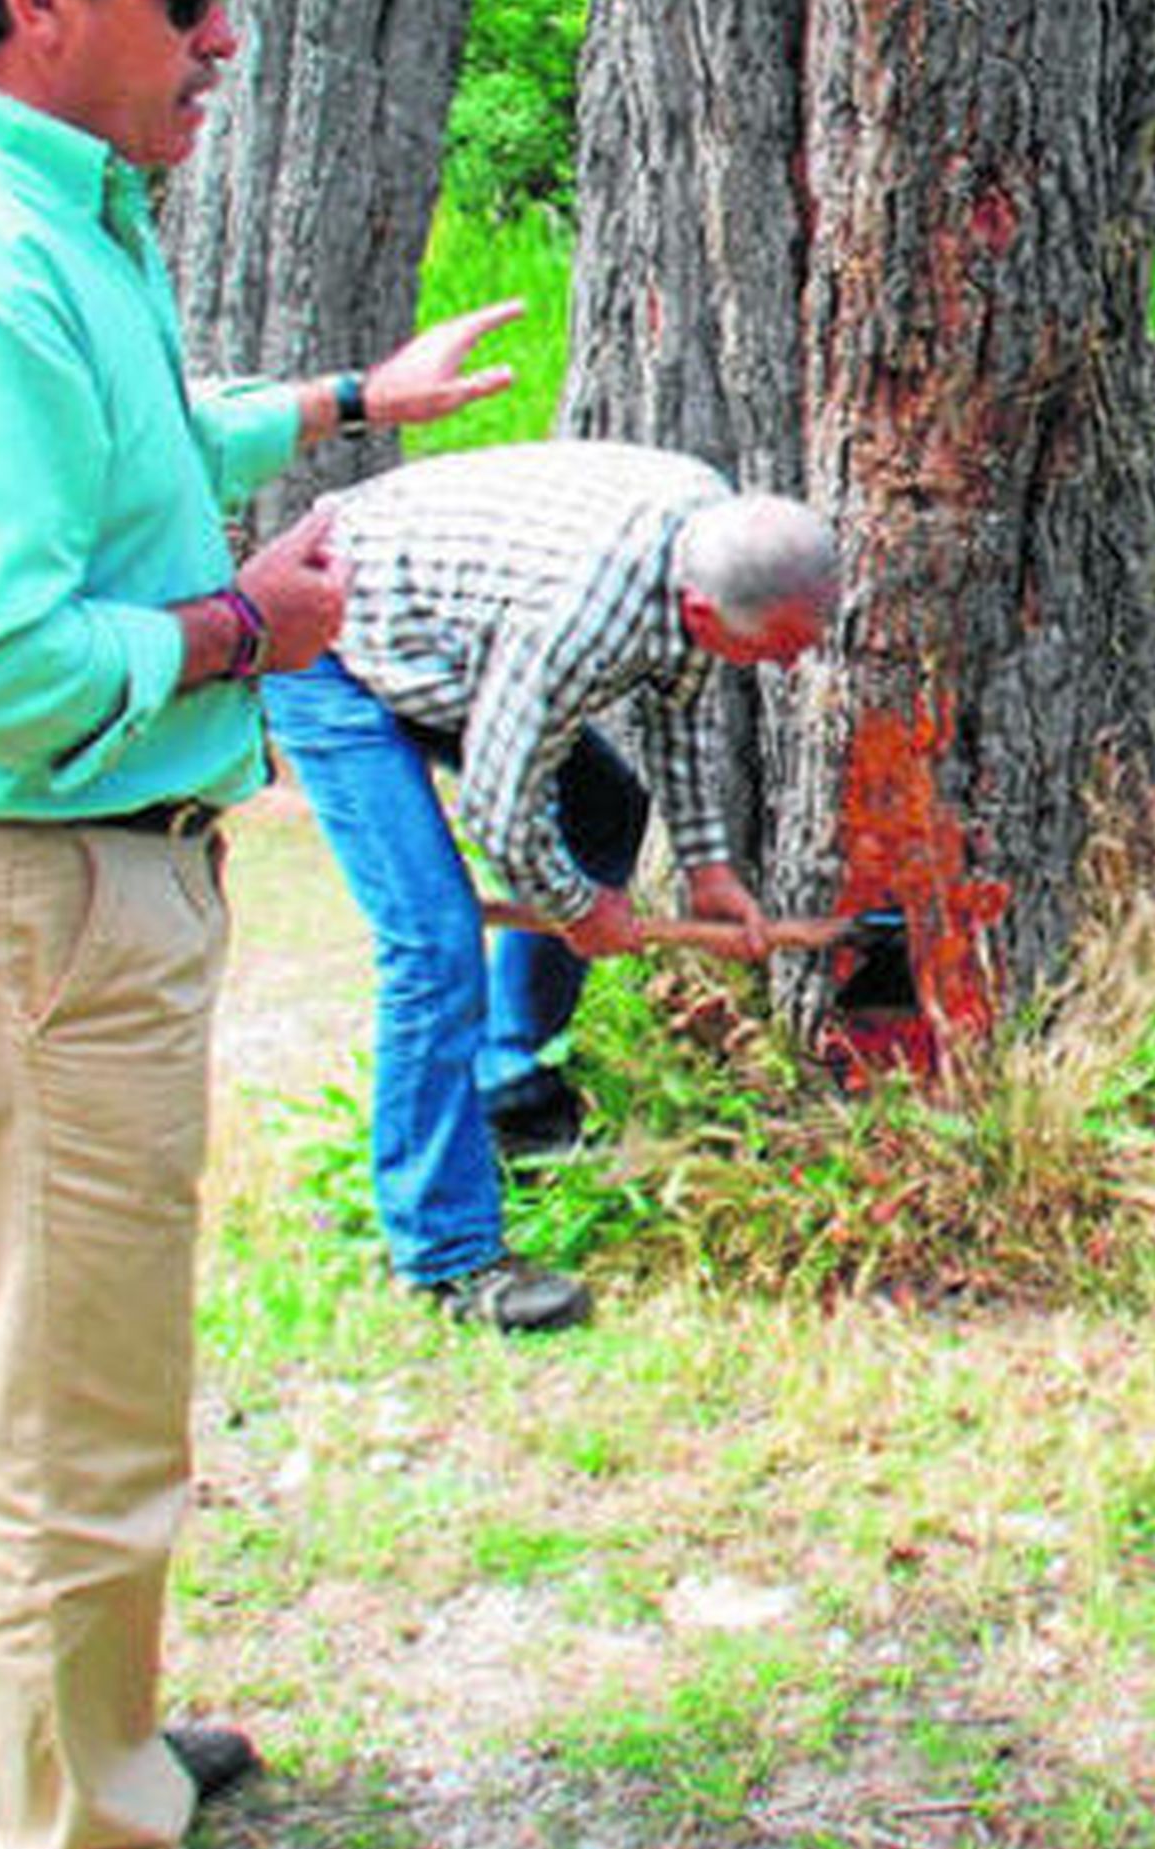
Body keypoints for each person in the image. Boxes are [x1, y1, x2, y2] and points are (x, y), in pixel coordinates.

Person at [0, 0, 517, 1849]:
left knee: (23, 1363)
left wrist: (346, 400)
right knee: (74, 1405)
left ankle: (10, 1752)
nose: (221, 39)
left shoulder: (34, 215)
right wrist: (236, 627)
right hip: (29, 898)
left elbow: (130, 440)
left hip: (45, 890)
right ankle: (83, 1829)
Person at [263, 442, 839, 1338]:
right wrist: (577, 908)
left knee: (608, 813)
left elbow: (677, 700)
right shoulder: (580, 619)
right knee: (433, 943)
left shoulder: (705, 532)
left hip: (452, 640)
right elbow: (500, 808)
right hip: (334, 647)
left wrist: (708, 867)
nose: (788, 668)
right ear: (699, 606)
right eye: (775, 651)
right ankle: (446, 1252)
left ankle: (509, 1089)